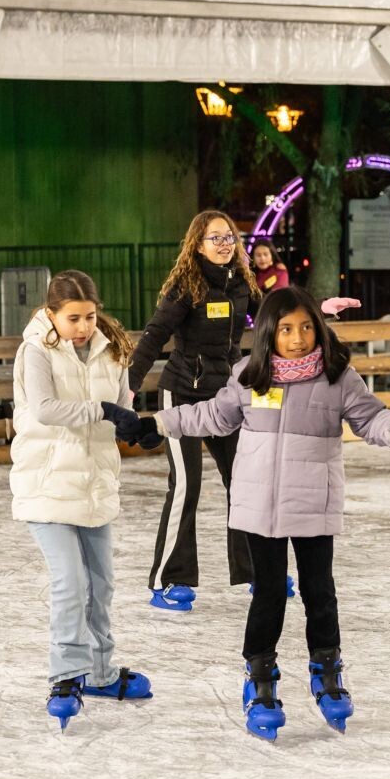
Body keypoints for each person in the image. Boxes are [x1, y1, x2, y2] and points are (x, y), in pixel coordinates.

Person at [143, 286, 390, 741]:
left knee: (319, 590)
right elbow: (213, 416)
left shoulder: (337, 376)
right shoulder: (251, 374)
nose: (298, 337)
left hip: (313, 503)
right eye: (287, 328)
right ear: (270, 330)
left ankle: (327, 669)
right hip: (260, 507)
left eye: (307, 326)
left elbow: (371, 420)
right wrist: (160, 423)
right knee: (267, 594)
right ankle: (260, 676)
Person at [11, 270, 156, 729]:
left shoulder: (111, 349)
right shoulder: (36, 350)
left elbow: (120, 402)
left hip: (93, 483)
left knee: (101, 584)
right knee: (70, 583)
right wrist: (105, 411)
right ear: (51, 313)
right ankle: (66, 675)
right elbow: (45, 409)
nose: (83, 326)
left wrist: (136, 426)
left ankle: (100, 672)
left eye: (90, 316)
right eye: (73, 318)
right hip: (47, 483)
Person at [128, 210, 263, 613]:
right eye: (215, 238)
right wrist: (128, 387)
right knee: (187, 487)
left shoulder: (242, 284)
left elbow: (277, 314)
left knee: (244, 483)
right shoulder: (187, 286)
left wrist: (316, 308)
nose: (224, 245)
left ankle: (257, 569)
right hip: (183, 394)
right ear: (198, 244)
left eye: (230, 238)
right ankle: (170, 579)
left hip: (226, 397)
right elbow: (154, 336)